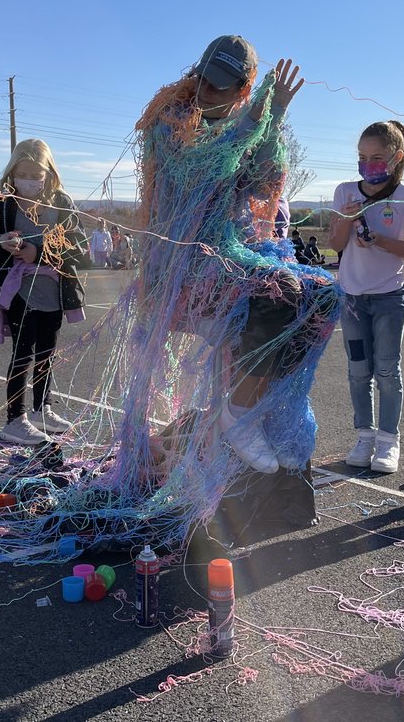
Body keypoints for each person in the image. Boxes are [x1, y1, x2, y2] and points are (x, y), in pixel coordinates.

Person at [134, 35, 340, 477]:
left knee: (323, 296)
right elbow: (201, 168)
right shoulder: (169, 121)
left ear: (242, 89)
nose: (207, 90)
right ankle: (238, 414)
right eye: (204, 78)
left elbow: (265, 178)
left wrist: (275, 114)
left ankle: (260, 413)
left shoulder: (244, 124)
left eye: (221, 85)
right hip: (181, 269)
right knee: (277, 294)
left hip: (226, 256)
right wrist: (253, 119)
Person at [328, 120, 404, 473]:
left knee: (386, 370)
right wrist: (346, 221)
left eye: (378, 157)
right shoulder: (344, 192)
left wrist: (380, 240)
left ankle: (388, 441)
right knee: (357, 372)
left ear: (396, 157)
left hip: (388, 297)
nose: (369, 164)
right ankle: (364, 436)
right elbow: (335, 245)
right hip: (351, 298)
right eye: (362, 157)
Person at [0, 139, 86, 445]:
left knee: (47, 354)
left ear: (48, 173)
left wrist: (37, 251)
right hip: (19, 292)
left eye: (35, 175)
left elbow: (79, 246)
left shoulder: (61, 202)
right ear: (12, 173)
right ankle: (16, 418)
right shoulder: (5, 204)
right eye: (22, 174)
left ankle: (43, 408)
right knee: (23, 353)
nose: (28, 181)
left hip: (52, 290)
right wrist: (1, 242)